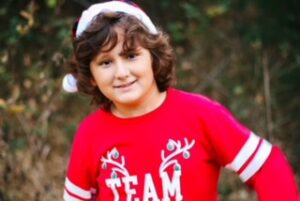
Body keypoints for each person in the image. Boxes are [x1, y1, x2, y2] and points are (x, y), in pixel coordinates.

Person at [62, 1, 299, 200]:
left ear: (153, 58)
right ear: (90, 76)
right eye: (105, 62)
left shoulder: (200, 115)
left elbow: (268, 167)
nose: (121, 72)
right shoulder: (91, 134)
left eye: (131, 55)